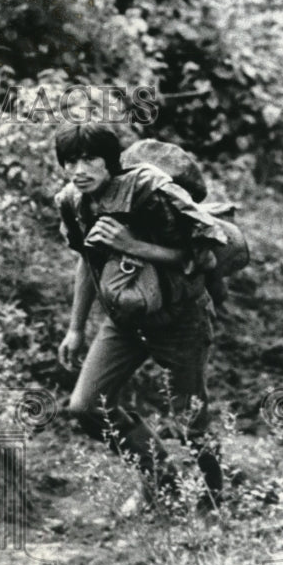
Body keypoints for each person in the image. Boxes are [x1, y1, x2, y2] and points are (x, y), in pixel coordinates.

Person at [54, 122, 226, 510]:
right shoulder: (72, 201)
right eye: (70, 161)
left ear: (110, 161)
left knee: (189, 419)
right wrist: (75, 328)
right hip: (124, 320)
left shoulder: (150, 191)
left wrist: (133, 245)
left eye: (89, 159)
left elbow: (202, 257)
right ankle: (161, 480)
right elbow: (88, 261)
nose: (79, 170)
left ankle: (214, 500)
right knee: (85, 406)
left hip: (181, 318)